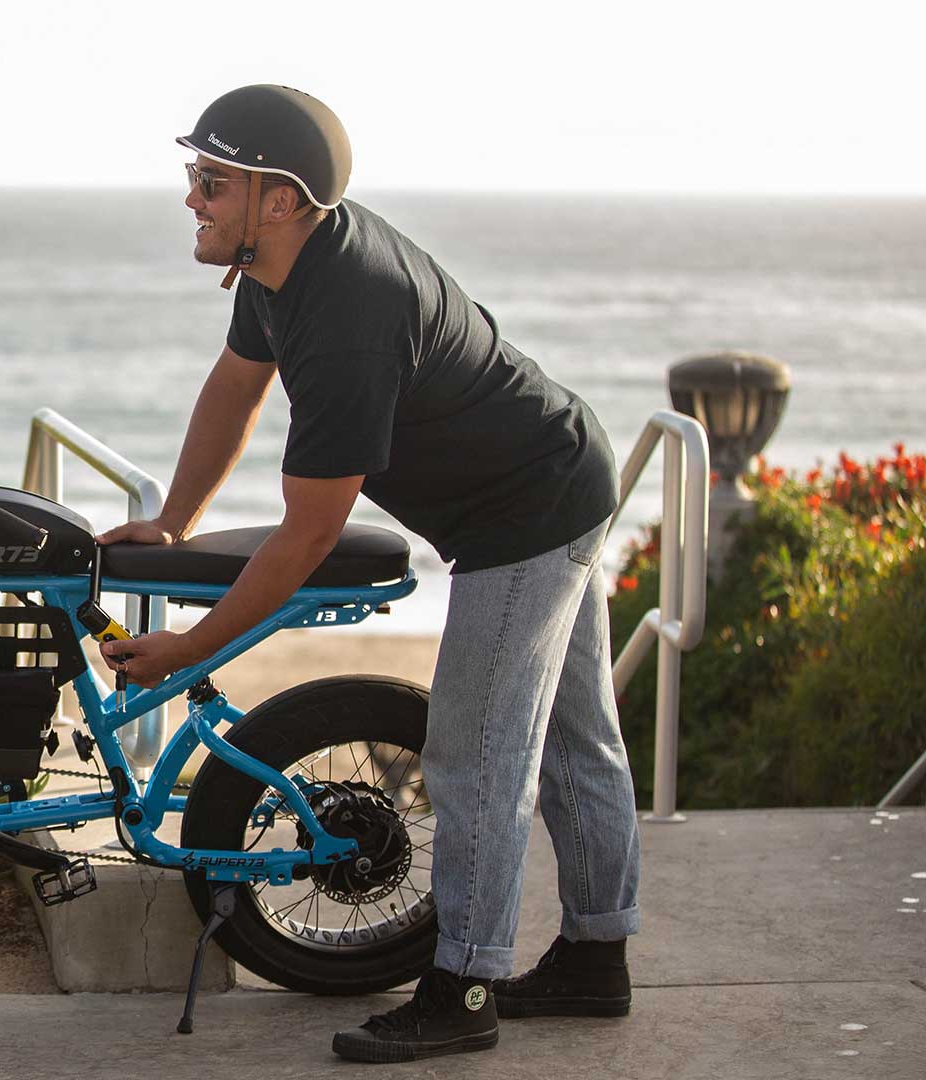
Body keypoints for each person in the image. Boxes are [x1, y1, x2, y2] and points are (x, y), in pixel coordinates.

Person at [96, 84, 640, 1063]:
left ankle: (464, 987)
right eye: (194, 176)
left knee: (477, 758)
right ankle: (598, 963)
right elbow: (235, 386)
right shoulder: (281, 270)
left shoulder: (348, 312)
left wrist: (187, 650)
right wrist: (174, 523)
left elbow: (306, 535)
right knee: (572, 745)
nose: (192, 198)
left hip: (526, 515)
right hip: (553, 477)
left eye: (211, 180)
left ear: (281, 198)